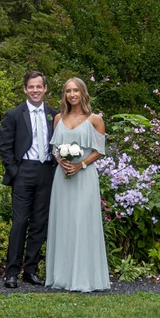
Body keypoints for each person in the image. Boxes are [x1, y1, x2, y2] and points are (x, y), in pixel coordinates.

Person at [45, 77, 110, 292]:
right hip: (62, 177)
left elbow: (99, 151)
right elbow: (55, 148)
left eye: (76, 91)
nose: (72, 95)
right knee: (63, 222)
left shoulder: (95, 119)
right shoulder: (58, 118)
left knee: (82, 222)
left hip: (84, 177)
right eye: (68, 91)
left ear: (83, 93)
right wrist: (60, 161)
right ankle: (62, 276)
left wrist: (80, 164)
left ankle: (84, 278)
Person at [0, 71, 57, 288]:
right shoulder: (14, 114)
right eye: (31, 87)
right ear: (25, 89)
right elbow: (4, 147)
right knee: (20, 222)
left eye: (39, 87)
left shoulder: (53, 115)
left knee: (40, 224)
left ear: (45, 89)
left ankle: (30, 271)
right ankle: (11, 272)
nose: (35, 90)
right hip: (23, 171)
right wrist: (15, 171)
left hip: (46, 172)